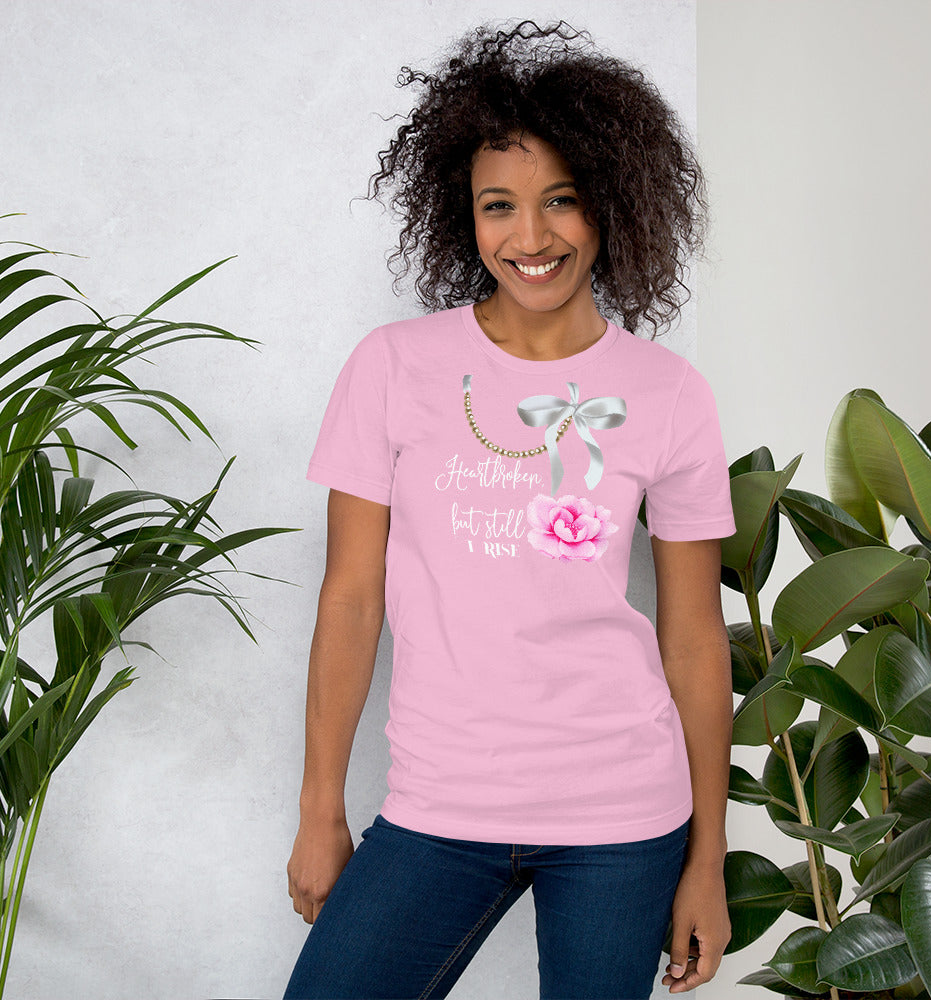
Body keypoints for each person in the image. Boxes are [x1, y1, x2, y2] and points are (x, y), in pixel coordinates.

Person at [284, 20, 736, 1000]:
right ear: (466, 215)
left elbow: (696, 639)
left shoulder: (667, 394)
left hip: (623, 815)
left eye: (561, 200)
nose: (530, 238)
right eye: (500, 206)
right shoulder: (392, 369)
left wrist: (707, 857)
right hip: (441, 804)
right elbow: (351, 599)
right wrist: (322, 805)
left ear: (612, 202)